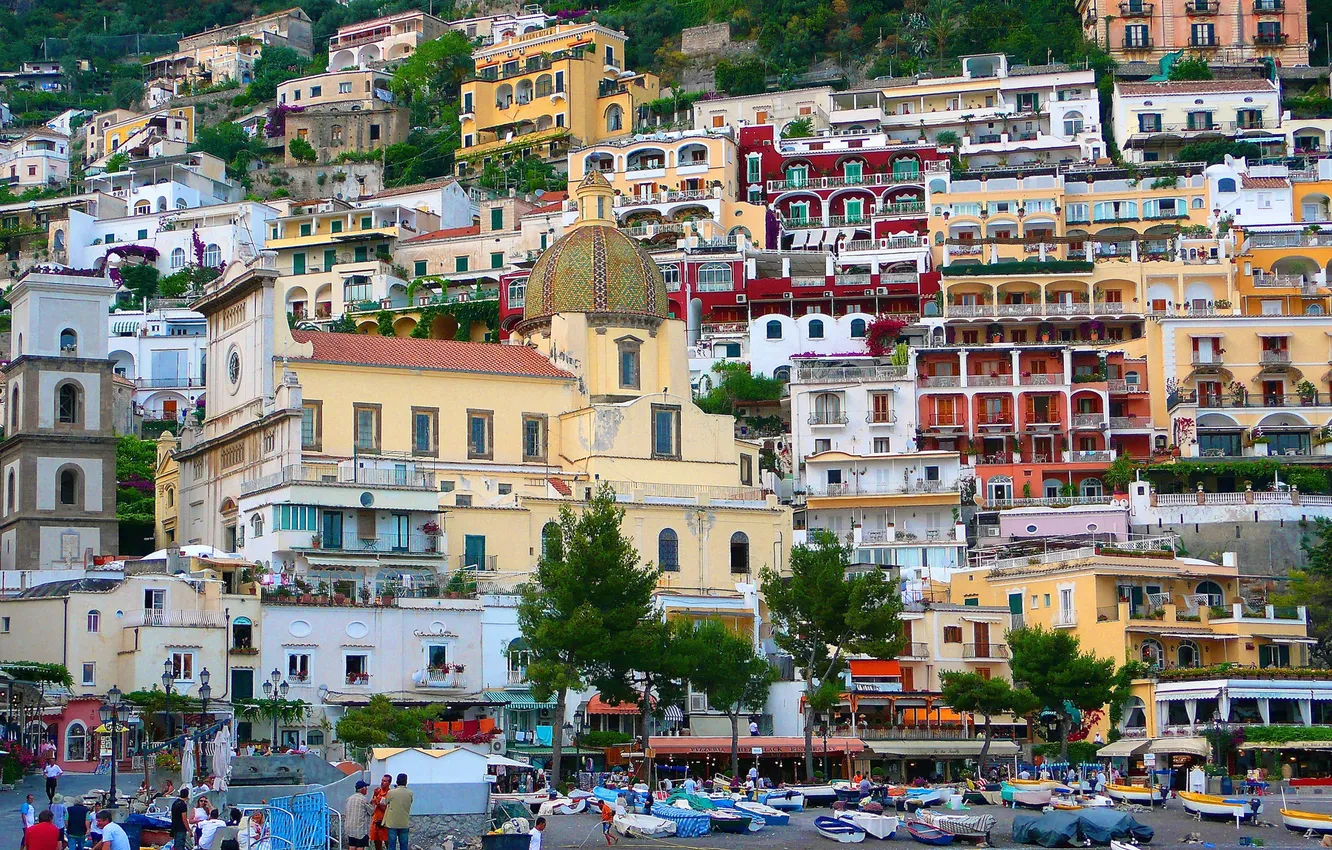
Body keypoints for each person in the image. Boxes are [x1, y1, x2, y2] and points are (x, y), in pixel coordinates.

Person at [382, 774, 412, 850]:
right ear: (406, 782)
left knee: (392, 845)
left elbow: (386, 802)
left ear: (397, 781)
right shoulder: (410, 793)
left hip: (392, 823)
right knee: (404, 845)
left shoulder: (391, 792)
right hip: (404, 823)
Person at [344, 782, 373, 850]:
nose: (367, 790)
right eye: (366, 788)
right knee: (360, 846)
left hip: (350, 827)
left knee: (352, 846)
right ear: (363, 789)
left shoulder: (349, 798)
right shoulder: (363, 799)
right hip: (360, 829)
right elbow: (371, 811)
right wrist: (374, 803)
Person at [369, 775, 391, 850]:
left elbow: (387, 808)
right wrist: (374, 796)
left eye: (385, 781)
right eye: (382, 780)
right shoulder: (377, 792)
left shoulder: (390, 794)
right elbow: (371, 805)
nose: (382, 782)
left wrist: (378, 802)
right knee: (377, 843)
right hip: (376, 820)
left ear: (389, 783)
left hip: (385, 822)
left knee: (388, 842)